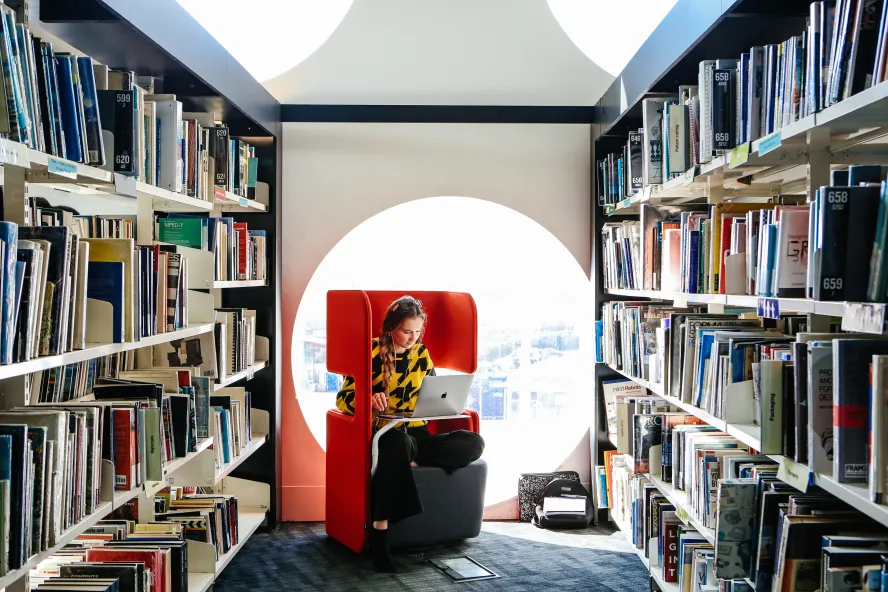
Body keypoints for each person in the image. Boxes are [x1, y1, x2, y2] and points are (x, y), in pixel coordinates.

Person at [335, 295, 485, 572]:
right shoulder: (370, 352)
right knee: (397, 443)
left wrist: (445, 404)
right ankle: (380, 532)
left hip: (418, 434)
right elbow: (343, 399)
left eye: (417, 332)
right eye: (406, 331)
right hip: (387, 435)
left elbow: (435, 392)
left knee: (473, 442)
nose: (412, 338)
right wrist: (368, 400)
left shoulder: (421, 354)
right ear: (392, 327)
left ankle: (409, 462)